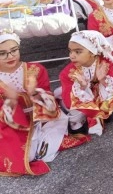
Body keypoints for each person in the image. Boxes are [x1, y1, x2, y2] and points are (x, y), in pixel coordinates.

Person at [0, 31, 82, 176]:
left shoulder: (36, 69)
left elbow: (50, 106)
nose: (11, 56)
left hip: (41, 119)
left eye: (14, 50)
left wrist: (34, 94)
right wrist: (11, 102)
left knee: (41, 146)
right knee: (28, 156)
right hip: (12, 126)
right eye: (3, 53)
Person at [59, 30, 113, 136]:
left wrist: (102, 79)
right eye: (70, 51)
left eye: (78, 52)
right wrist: (83, 87)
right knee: (77, 117)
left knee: (106, 88)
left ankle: (103, 113)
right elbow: (68, 99)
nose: (72, 56)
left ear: (93, 52)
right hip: (82, 102)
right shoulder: (68, 73)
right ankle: (94, 116)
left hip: (98, 96)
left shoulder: (105, 63)